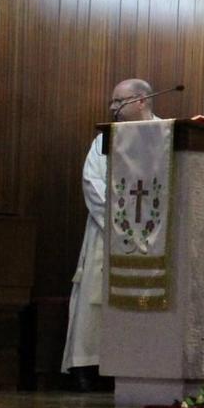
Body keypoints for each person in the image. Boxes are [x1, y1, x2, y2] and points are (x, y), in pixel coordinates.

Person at [62, 78, 157, 390]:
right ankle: (89, 366)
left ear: (142, 101)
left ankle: (139, 367)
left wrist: (145, 224)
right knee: (95, 299)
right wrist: (122, 223)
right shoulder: (105, 139)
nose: (113, 107)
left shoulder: (166, 136)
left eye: (119, 101)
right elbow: (92, 183)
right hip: (108, 232)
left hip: (153, 237)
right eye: (112, 102)